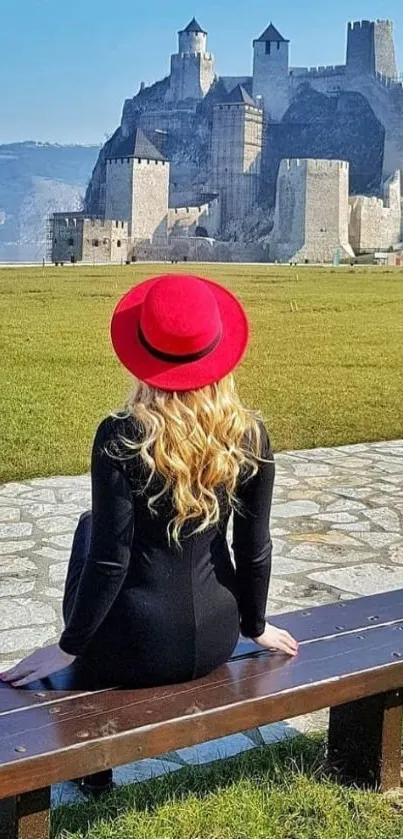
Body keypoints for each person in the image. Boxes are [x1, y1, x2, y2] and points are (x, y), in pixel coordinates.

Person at [0, 273, 299, 793]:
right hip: (217, 636)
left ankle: (94, 770)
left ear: (142, 354)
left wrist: (69, 648)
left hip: (132, 649)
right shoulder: (249, 434)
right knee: (99, 532)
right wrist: (255, 627)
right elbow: (253, 549)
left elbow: (110, 561)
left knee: (92, 532)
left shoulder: (121, 436)